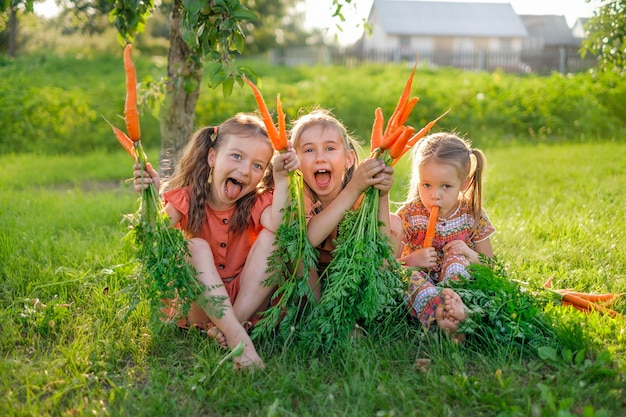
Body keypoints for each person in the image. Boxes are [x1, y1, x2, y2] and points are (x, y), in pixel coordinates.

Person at [133, 113, 299, 368]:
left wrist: (284, 178)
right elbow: (152, 235)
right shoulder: (186, 198)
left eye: (257, 166)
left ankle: (229, 329)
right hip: (199, 302)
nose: (245, 170)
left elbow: (279, 225)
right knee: (194, 247)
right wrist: (151, 197)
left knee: (273, 238)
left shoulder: (257, 201)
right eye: (236, 156)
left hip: (248, 299)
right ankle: (237, 338)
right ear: (212, 157)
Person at [289, 109, 399, 300]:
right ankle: (316, 315)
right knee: (296, 246)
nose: (320, 157)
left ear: (348, 159)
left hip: (351, 278)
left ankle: (370, 306)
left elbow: (382, 254)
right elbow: (308, 238)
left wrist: (383, 194)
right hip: (311, 281)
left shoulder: (362, 196)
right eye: (309, 150)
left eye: (330, 148)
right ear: (297, 163)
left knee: (394, 223)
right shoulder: (299, 194)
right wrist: (353, 189)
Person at [395, 132, 495, 337]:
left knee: (457, 260)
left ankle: (457, 308)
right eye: (426, 185)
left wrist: (468, 252)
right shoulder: (408, 215)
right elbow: (390, 266)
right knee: (410, 279)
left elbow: (490, 265)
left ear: (464, 184)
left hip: (457, 283)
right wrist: (411, 260)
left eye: (446, 186)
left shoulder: (472, 215)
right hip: (423, 280)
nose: (434, 195)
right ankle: (441, 317)